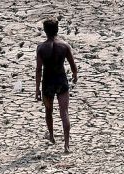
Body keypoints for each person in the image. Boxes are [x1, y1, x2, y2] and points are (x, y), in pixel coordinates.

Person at [35, 18, 78, 153]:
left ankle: (52, 136)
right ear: (57, 29)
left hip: (47, 82)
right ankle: (66, 145)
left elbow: (38, 69)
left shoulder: (41, 48)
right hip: (61, 80)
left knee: (49, 111)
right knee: (64, 112)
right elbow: (72, 64)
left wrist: (37, 88)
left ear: (45, 31)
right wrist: (75, 74)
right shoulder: (64, 46)